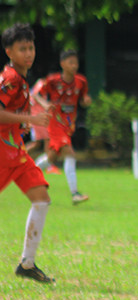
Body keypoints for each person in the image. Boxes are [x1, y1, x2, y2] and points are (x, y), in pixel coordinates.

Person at [0, 23, 55, 284]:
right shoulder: (10, 79)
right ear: (9, 51)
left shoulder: (21, 79)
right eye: (22, 49)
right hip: (2, 153)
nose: (28, 53)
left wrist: (24, 122)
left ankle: (27, 263)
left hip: (16, 154)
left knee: (41, 198)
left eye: (31, 48)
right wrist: (29, 118)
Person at [32, 48, 90, 203]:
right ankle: (75, 194)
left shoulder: (81, 81)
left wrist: (85, 101)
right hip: (55, 123)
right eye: (71, 62)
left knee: (51, 158)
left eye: (76, 63)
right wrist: (45, 104)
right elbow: (36, 94)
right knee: (70, 153)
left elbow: (83, 98)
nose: (74, 66)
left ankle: (30, 174)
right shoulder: (53, 80)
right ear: (62, 64)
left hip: (68, 125)